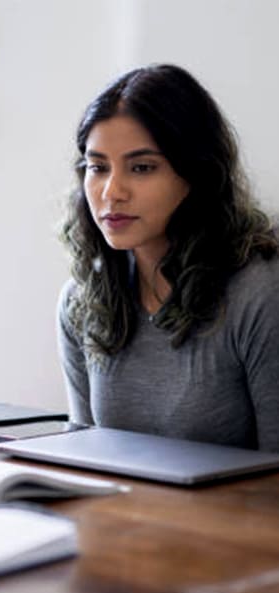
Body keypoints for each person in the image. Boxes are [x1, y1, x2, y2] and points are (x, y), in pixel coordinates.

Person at [58, 63, 279, 452]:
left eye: (142, 168)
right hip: (121, 513)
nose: (112, 191)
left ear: (197, 173)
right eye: (97, 167)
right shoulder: (81, 301)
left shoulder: (260, 291)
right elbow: (86, 462)